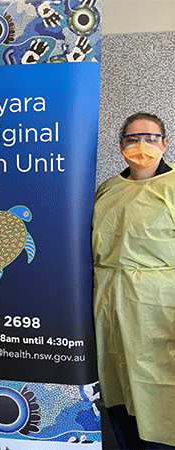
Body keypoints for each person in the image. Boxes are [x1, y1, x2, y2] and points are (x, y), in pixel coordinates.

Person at [92, 112, 175, 450]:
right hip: (109, 304)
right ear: (121, 146)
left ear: (165, 144)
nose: (142, 146)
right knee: (117, 389)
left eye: (151, 138)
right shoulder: (108, 189)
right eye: (133, 139)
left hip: (158, 308)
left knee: (160, 390)